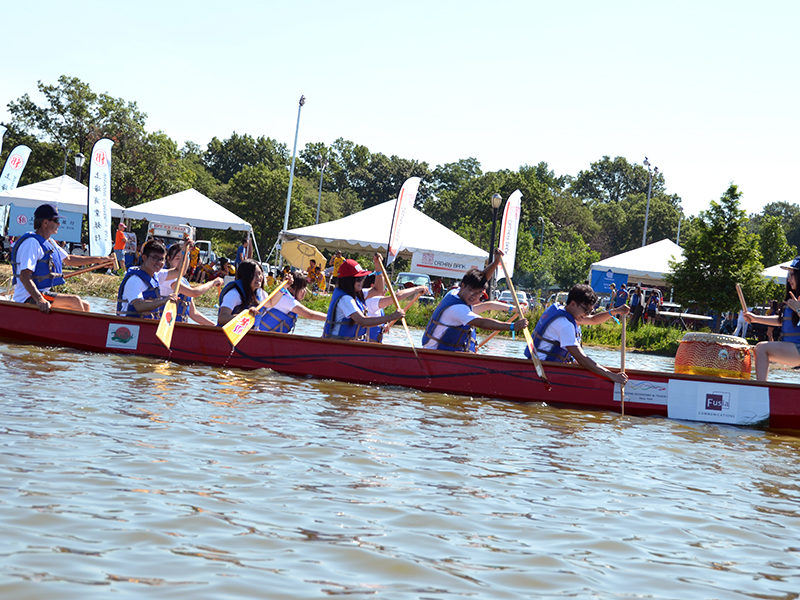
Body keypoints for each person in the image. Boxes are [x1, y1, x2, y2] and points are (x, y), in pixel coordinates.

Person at [422, 249, 530, 353]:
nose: (474, 296)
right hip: (437, 354)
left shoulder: (455, 293)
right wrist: (512, 327)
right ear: (463, 286)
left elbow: (482, 281)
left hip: (446, 353)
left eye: (478, 293)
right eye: (471, 291)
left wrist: (495, 262)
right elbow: (482, 323)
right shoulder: (458, 309)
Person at [527, 283, 629, 384]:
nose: (587, 314)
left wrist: (615, 311)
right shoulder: (564, 324)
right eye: (586, 310)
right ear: (573, 304)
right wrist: (611, 376)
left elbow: (593, 320)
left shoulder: (566, 312)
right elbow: (581, 358)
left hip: (548, 369)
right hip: (542, 372)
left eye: (590, 311)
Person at [10, 203, 99, 313]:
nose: (59, 224)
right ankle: (79, 330)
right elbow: (24, 276)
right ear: (45, 223)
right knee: (74, 301)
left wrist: (100, 260)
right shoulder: (32, 243)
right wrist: (40, 300)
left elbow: (69, 259)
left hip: (42, 293)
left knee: (85, 305)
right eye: (56, 221)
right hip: (27, 297)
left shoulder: (50, 242)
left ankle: (75, 329)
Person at [743, 257, 800, 380]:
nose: (789, 279)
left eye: (792, 275)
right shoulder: (793, 297)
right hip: (793, 347)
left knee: (761, 348)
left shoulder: (796, 302)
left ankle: (761, 388)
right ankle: (762, 387)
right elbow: (782, 321)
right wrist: (755, 318)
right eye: (788, 275)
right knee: (759, 348)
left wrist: (798, 309)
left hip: (798, 348)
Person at [322, 258, 404, 341]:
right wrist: (391, 317)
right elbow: (362, 321)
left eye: (362, 278)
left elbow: (378, 290)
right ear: (348, 281)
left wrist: (378, 268)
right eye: (358, 279)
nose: (361, 281)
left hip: (352, 344)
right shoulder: (345, 299)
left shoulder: (358, 294)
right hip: (338, 344)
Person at [362, 253, 427, 343]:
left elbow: (374, 320)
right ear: (373, 286)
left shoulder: (376, 302)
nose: (386, 290)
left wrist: (383, 327)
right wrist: (417, 288)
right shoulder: (372, 300)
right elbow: (397, 297)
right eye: (384, 286)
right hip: (368, 345)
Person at [158, 242, 224, 326]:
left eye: (184, 259)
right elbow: (194, 293)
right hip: (166, 326)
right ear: (168, 258)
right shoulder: (168, 279)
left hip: (179, 327)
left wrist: (214, 326)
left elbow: (193, 313)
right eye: (177, 259)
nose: (181, 263)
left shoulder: (184, 280)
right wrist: (213, 282)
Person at [116, 239, 178, 319]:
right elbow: (139, 306)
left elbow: (179, 271)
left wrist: (185, 252)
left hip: (146, 325)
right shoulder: (135, 280)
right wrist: (163, 300)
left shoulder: (156, 275)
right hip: (129, 326)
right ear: (144, 258)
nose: (159, 262)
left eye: (162, 259)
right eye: (155, 258)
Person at [257, 272, 327, 333]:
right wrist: (330, 318)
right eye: (302, 288)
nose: (305, 291)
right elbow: (310, 315)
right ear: (290, 288)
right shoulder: (286, 300)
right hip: (262, 336)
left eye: (305, 288)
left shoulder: (285, 297)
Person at [217, 259, 266, 327]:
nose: (259, 277)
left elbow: (272, 303)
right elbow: (222, 318)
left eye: (260, 274)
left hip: (251, 334)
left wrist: (284, 287)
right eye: (254, 275)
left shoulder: (260, 293)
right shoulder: (234, 294)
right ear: (246, 276)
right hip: (228, 335)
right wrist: (243, 317)